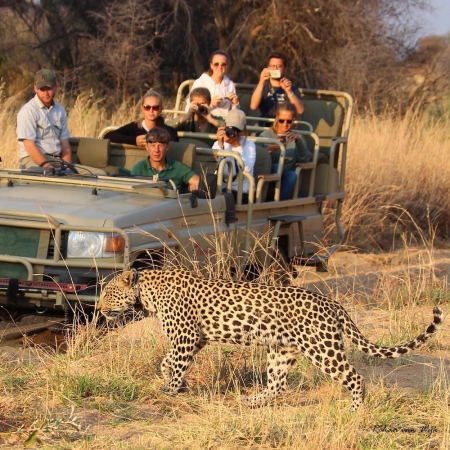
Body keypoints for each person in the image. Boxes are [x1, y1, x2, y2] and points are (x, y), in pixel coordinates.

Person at [17, 69, 72, 169]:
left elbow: (65, 145)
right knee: (47, 176)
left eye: (49, 88)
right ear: (35, 88)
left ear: (55, 87)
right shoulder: (28, 111)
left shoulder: (60, 111)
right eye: (42, 89)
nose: (46, 93)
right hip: (33, 160)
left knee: (96, 175)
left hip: (57, 160)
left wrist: (67, 168)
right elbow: (29, 145)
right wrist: (48, 167)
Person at [260, 102, 311, 200]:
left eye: (289, 121)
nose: (285, 124)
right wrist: (268, 151)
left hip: (285, 179)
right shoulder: (265, 136)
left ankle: (278, 203)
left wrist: (298, 142)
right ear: (277, 118)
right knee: (277, 167)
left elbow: (305, 159)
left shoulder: (297, 138)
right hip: (268, 176)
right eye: (281, 120)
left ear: (293, 120)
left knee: (292, 175)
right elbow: (256, 158)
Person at [131, 127, 199, 192]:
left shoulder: (177, 167)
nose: (156, 150)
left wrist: (192, 187)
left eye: (160, 146)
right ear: (147, 147)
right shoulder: (139, 169)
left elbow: (198, 182)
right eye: (153, 146)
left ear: (167, 147)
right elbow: (131, 194)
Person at [212, 109, 256, 204]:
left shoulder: (250, 145)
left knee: (223, 199)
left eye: (238, 130)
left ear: (243, 130)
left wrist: (236, 145)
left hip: (241, 191)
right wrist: (220, 144)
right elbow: (214, 167)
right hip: (221, 188)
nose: (234, 133)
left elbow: (246, 169)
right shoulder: (218, 143)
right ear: (225, 127)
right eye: (231, 128)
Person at [104, 91, 178, 146]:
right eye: (147, 107)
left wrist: (160, 123)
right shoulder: (134, 127)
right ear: (142, 108)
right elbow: (108, 136)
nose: (151, 110)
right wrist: (134, 141)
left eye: (155, 107)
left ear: (161, 109)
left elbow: (173, 140)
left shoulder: (169, 130)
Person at [250, 52, 304, 119]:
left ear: (285, 69)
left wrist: (289, 92)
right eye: (272, 66)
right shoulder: (261, 87)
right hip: (265, 127)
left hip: (284, 125)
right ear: (268, 68)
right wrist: (261, 82)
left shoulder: (292, 89)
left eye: (279, 66)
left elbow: (300, 111)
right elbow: (253, 106)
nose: (275, 69)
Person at [186, 50, 239, 117]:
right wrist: (211, 105)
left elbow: (234, 114)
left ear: (227, 66)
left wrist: (235, 104)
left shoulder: (230, 84)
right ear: (211, 65)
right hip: (206, 122)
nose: (220, 67)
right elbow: (190, 108)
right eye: (216, 64)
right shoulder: (201, 82)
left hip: (225, 123)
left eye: (223, 64)